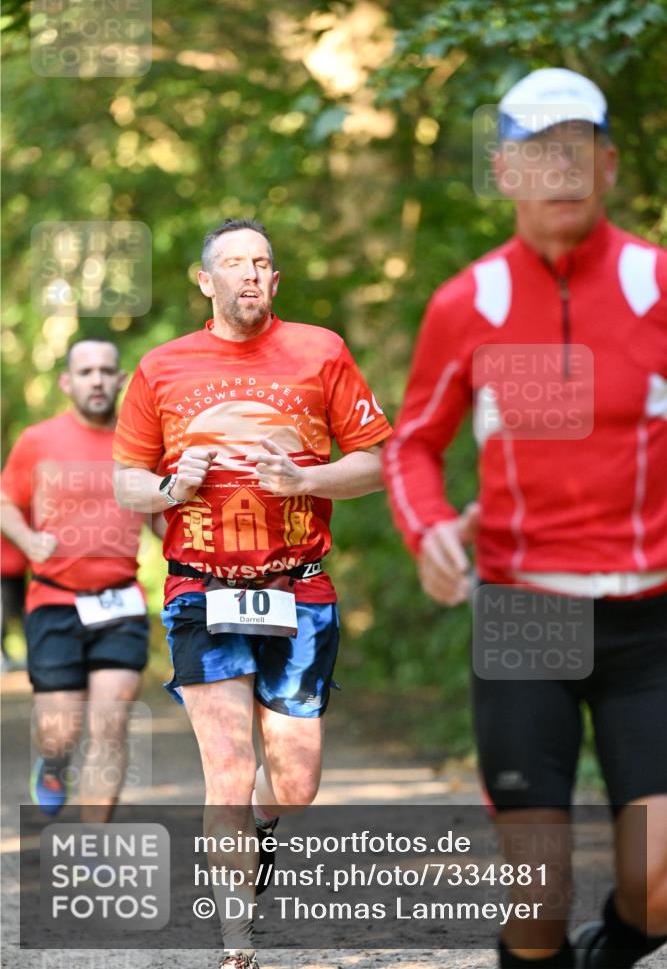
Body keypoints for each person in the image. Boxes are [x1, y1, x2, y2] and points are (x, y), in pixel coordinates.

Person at [385, 68, 666, 969]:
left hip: (649, 620)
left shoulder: (655, 284)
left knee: (659, 883)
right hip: (524, 614)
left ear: (609, 164)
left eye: (576, 148)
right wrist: (427, 527)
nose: (560, 169)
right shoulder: (467, 304)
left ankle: (606, 955)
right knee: (534, 890)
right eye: (537, 152)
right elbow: (410, 447)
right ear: (503, 171)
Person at [112, 217, 392, 969]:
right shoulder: (161, 367)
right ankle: (236, 941)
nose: (249, 275)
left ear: (275, 279)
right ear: (205, 281)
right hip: (201, 589)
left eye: (261, 263)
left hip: (297, 588)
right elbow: (127, 483)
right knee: (229, 764)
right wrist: (170, 486)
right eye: (233, 264)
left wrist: (307, 479)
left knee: (294, 781)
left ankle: (265, 828)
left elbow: (375, 462)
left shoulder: (320, 352)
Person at [1, 338, 151, 820]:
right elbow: (5, 502)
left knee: (110, 726)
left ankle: (93, 845)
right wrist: (27, 539)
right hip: (54, 602)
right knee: (59, 730)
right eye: (86, 372)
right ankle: (53, 761)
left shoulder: (143, 443)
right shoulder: (38, 441)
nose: (97, 380)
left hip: (121, 603)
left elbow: (160, 513)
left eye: (107, 371)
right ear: (68, 382)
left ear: (121, 379)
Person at [1, 534, 28, 671]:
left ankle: (12, 656)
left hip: (18, 567)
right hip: (8, 568)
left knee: (16, 613)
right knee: (8, 614)